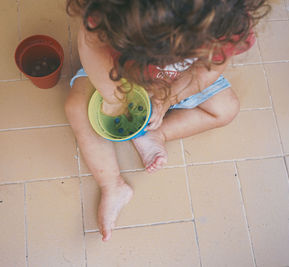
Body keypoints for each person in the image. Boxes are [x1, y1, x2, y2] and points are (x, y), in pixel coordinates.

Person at [65, 0, 269, 241]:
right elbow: (90, 44)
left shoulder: (225, 25)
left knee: (226, 109)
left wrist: (170, 98)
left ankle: (157, 133)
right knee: (76, 108)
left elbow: (209, 70)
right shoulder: (109, 12)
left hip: (179, 81)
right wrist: (113, 95)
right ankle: (112, 184)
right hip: (117, 74)